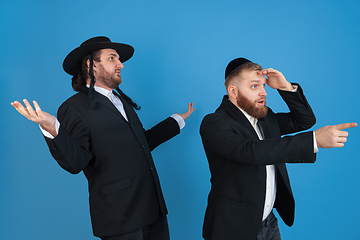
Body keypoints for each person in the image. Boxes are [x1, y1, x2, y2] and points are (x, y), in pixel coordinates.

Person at [11, 36, 195, 240]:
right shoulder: (73, 108)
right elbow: (76, 162)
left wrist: (177, 120)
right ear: (92, 65)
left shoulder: (122, 101)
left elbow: (142, 143)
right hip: (120, 218)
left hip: (154, 210)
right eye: (112, 58)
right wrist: (52, 128)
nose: (121, 64)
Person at [199, 57, 356, 240]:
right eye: (254, 86)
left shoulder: (267, 117)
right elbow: (250, 151)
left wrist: (285, 86)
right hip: (233, 229)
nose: (264, 92)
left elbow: (304, 120)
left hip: (269, 224)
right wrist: (312, 140)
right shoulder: (214, 122)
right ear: (233, 91)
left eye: (264, 86)